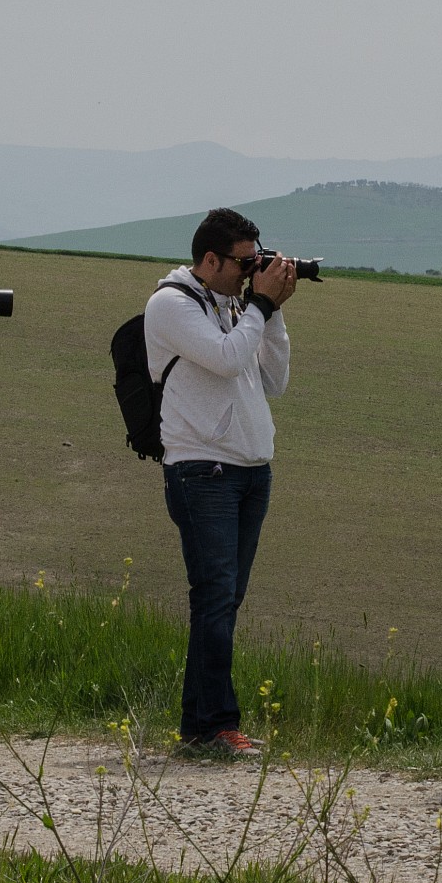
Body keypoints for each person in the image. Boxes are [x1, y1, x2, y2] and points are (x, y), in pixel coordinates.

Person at [145, 207, 297, 757]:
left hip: (251, 470)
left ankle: (200, 724)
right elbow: (229, 360)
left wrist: (271, 312)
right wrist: (259, 304)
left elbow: (274, 380)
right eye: (242, 263)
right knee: (213, 598)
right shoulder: (170, 304)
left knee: (224, 600)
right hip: (202, 470)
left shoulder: (235, 305)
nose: (249, 272)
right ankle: (216, 724)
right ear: (209, 260)